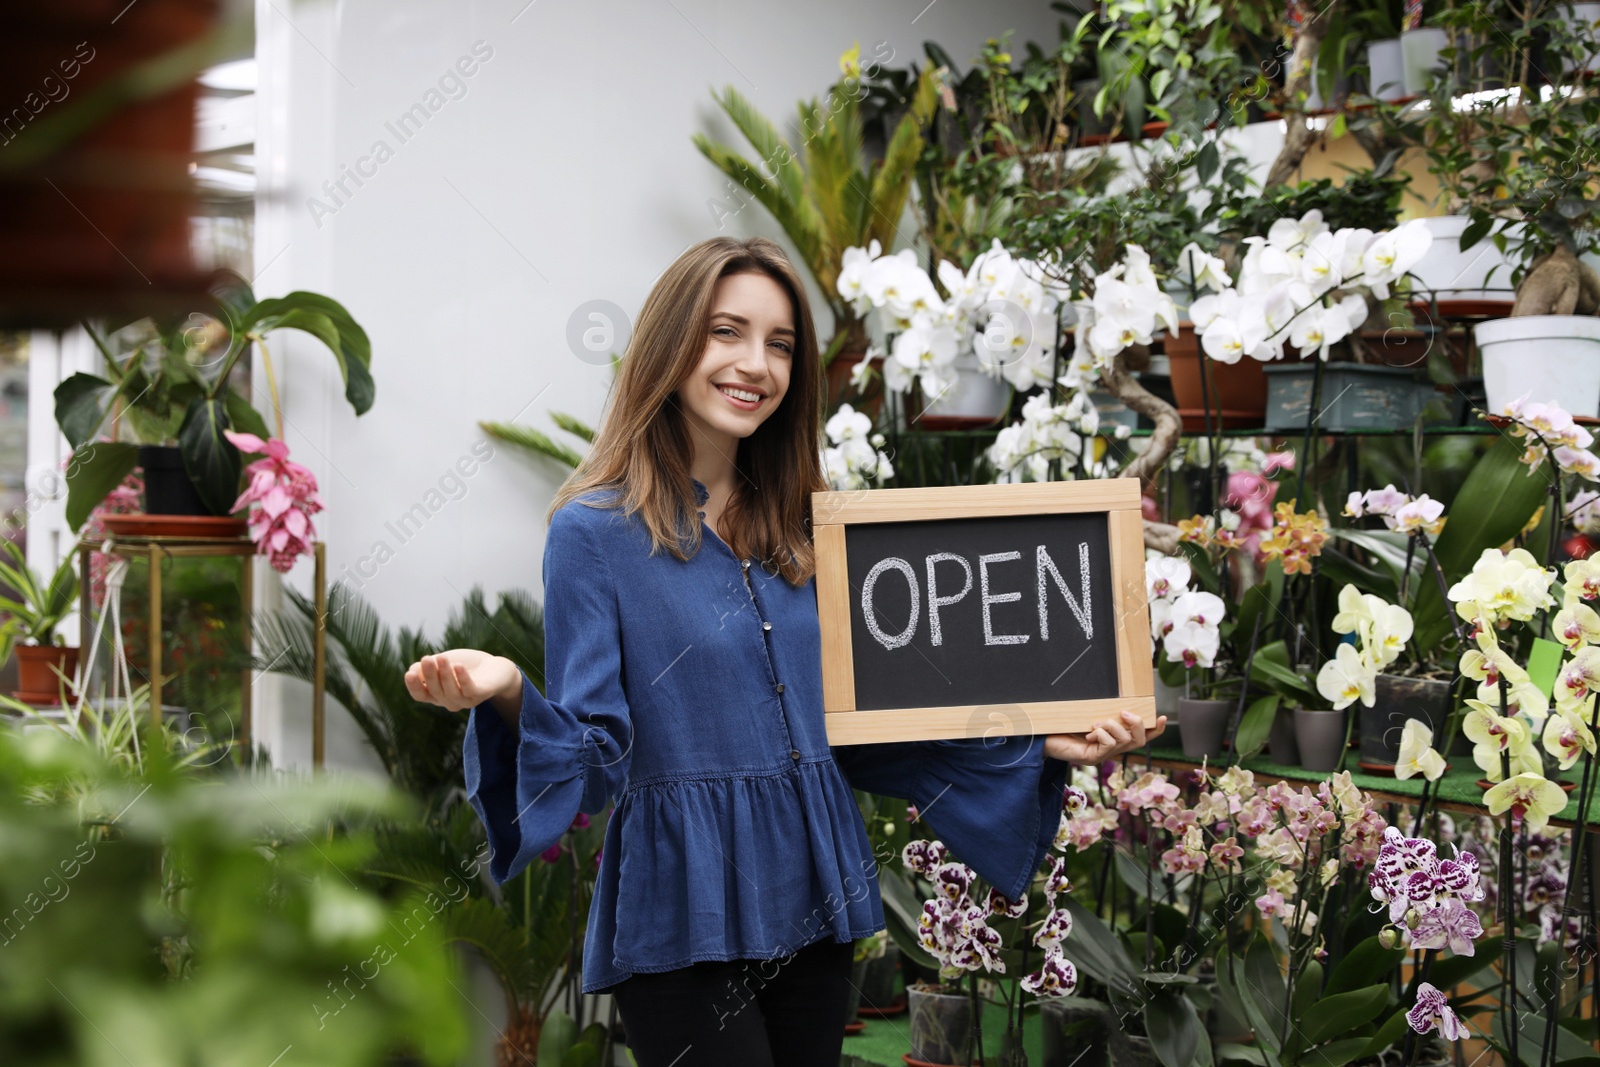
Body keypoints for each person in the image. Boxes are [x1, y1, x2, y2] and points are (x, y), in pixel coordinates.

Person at [403, 235, 1167, 1067]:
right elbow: (596, 759)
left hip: (813, 890)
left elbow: (858, 719)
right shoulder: (593, 534)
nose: (756, 363)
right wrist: (510, 688)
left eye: (780, 344)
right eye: (726, 331)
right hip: (680, 907)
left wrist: (1033, 736)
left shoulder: (809, 524)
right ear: (670, 342)